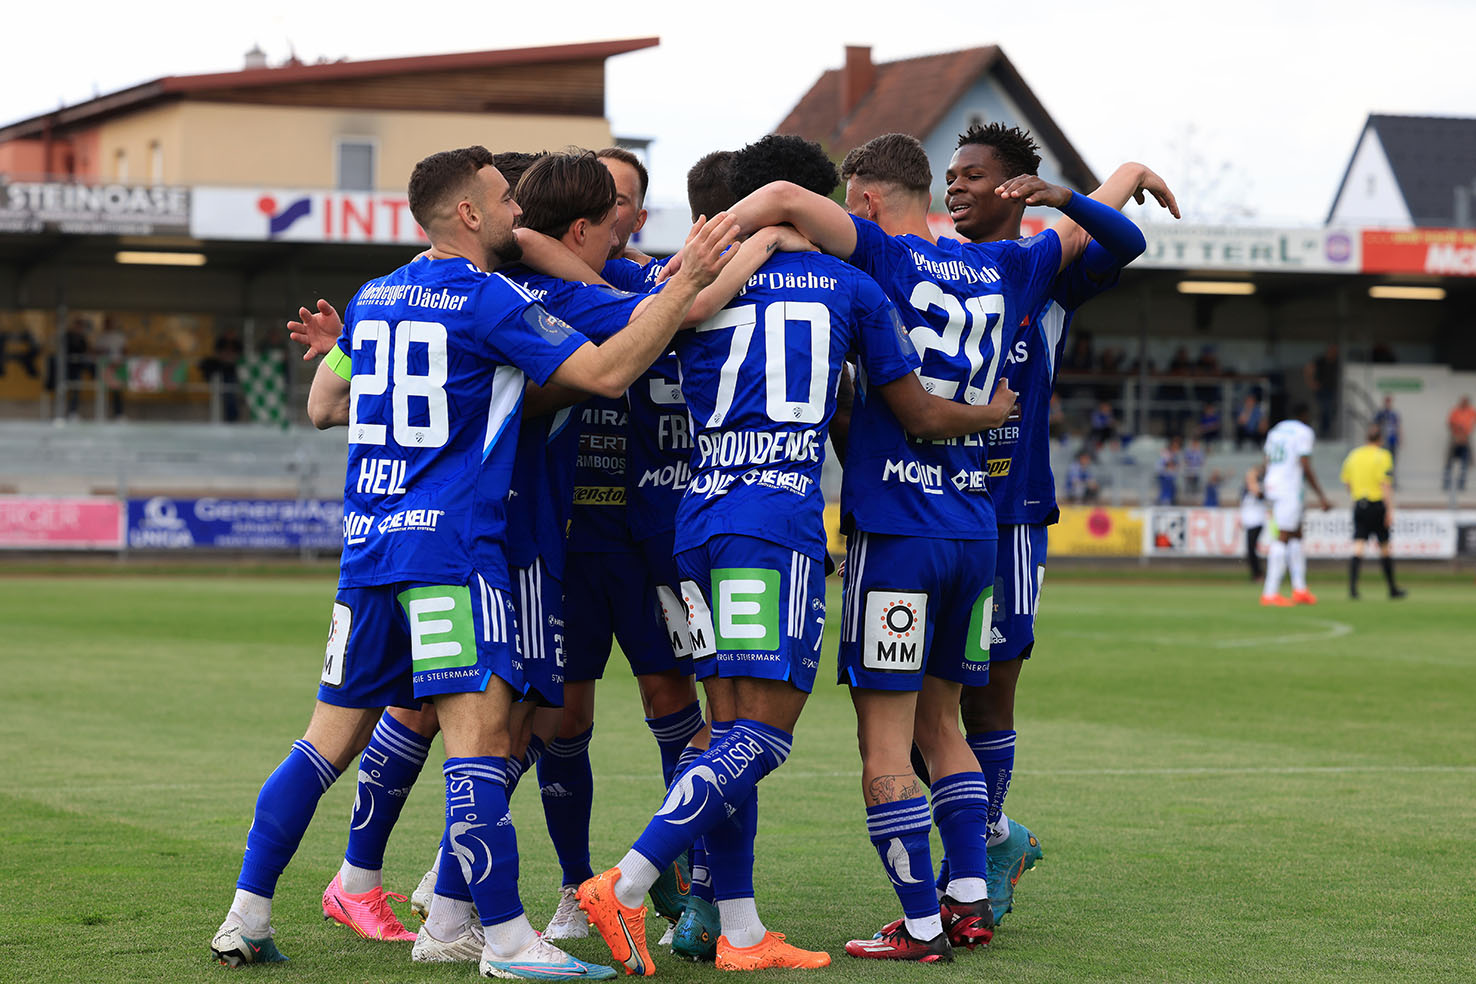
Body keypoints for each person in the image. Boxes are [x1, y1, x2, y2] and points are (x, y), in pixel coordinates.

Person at [210, 144, 739, 979]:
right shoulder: (487, 297)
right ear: (468, 212)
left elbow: (324, 404)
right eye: (502, 199)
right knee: (483, 745)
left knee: (323, 744)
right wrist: (682, 285)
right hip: (452, 554)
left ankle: (246, 914)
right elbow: (607, 372)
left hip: (369, 551)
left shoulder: (375, 296)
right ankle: (505, 942)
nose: (514, 212)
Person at [577, 133, 1032, 975]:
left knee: (725, 730)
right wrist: (990, 414)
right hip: (777, 522)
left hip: (695, 522)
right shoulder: (852, 285)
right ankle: (628, 881)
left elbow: (578, 271)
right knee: (764, 736)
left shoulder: (687, 278)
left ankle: (741, 930)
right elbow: (908, 409)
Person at [726, 127, 1157, 951]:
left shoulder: (884, 259)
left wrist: (714, 248)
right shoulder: (1010, 267)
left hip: (897, 529)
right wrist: (1105, 181)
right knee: (943, 725)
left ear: (867, 200)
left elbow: (781, 199)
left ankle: (921, 924)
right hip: (973, 528)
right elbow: (1096, 235)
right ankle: (969, 899)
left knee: (884, 742)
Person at [1260, 403, 1332, 606]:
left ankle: (1300, 589)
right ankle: (1270, 592)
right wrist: (1321, 496)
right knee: (1283, 536)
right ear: (1305, 415)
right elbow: (1305, 464)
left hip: (1273, 484)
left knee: (1296, 534)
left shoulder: (1275, 431)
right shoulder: (1303, 432)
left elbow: (1267, 460)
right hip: (1288, 488)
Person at [1341, 423, 1406, 600]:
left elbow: (1347, 482)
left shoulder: (1354, 455)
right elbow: (1385, 484)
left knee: (1358, 546)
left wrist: (1357, 493)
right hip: (1377, 505)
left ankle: (1353, 589)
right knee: (1384, 546)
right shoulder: (1383, 456)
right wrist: (1390, 510)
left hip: (1359, 504)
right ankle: (1392, 588)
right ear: (1381, 439)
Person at [1304, 343, 1338, 437]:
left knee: (1330, 410)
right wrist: (1311, 382)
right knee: (1324, 409)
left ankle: (1326, 431)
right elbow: (1308, 369)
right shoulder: (1320, 360)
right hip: (1321, 390)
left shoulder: (1337, 362)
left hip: (1332, 390)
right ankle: (1323, 432)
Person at [1240, 464, 1267, 581]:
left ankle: (1258, 574)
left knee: (1251, 549)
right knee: (1250, 550)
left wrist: (1253, 483)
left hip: (1257, 522)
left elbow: (1260, 495)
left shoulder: (1259, 487)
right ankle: (1257, 573)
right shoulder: (1245, 490)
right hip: (1249, 523)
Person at [1444, 395, 1475, 492]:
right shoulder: (1455, 411)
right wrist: (1457, 433)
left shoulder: (1471, 411)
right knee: (1449, 462)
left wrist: (1465, 433)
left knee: (1465, 462)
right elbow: (1450, 423)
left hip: (1465, 439)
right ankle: (1446, 484)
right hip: (1455, 438)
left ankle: (1461, 485)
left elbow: (1472, 423)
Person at [1373, 395, 1400, 486]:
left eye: (1389, 402)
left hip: (1392, 441)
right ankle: (1381, 481)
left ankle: (1391, 481)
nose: (1388, 404)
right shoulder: (1381, 414)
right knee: (1382, 461)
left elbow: (1397, 427)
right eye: (1387, 401)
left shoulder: (1394, 414)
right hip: (1383, 442)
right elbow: (1376, 426)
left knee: (1392, 462)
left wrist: (1399, 438)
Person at [1156, 437, 1180, 505]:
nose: (1176, 448)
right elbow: (1167, 464)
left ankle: (1168, 500)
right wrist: (1171, 465)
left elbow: (1175, 465)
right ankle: (1164, 500)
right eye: (1175, 446)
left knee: (1172, 488)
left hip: (1169, 474)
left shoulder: (1174, 454)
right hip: (1163, 474)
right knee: (1166, 487)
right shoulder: (1166, 453)